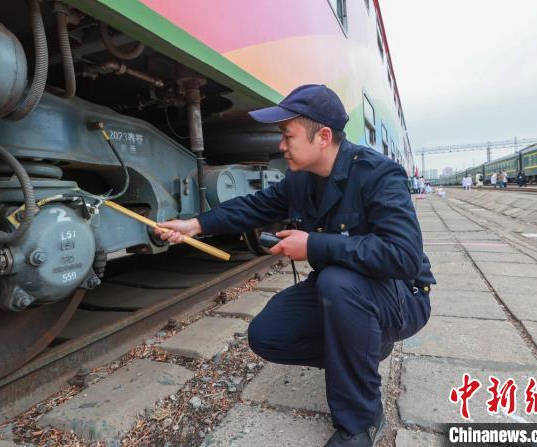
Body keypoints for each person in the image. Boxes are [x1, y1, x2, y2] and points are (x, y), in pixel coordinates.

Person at [156, 85, 434, 447]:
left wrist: (313, 244)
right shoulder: (300, 179)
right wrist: (195, 225)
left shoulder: (379, 175)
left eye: (287, 135)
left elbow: (404, 255)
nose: (281, 145)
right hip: (346, 294)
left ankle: (361, 422)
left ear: (323, 137)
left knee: (335, 281)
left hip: (402, 297)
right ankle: (360, 355)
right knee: (267, 335)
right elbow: (254, 206)